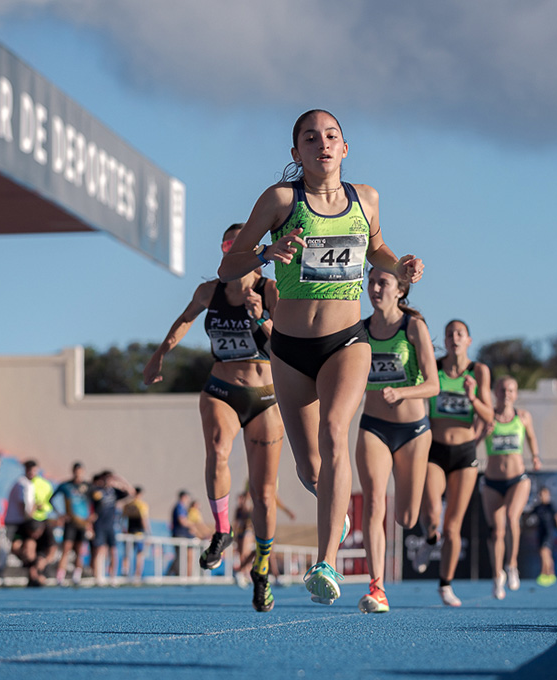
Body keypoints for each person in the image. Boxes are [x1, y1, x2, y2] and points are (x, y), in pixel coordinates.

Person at [217, 109, 423, 606]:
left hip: (347, 342)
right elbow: (229, 267)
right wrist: (270, 252)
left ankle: (325, 561)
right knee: (311, 470)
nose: (322, 144)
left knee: (336, 433)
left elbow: (376, 248)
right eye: (311, 138)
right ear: (296, 153)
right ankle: (333, 503)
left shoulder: (365, 198)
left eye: (331, 136)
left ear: (345, 148)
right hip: (287, 349)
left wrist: (402, 265)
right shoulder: (281, 200)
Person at [144, 222, 285, 612]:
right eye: (229, 246)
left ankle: (261, 567)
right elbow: (186, 318)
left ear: (257, 252)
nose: (234, 254)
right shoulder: (210, 291)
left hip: (265, 396)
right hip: (221, 388)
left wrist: (261, 319)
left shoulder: (269, 291)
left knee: (264, 494)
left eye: (243, 247)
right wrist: (160, 354)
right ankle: (222, 530)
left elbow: (287, 349)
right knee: (219, 451)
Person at [355, 267, 439, 613]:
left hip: (414, 431)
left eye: (382, 283)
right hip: (373, 425)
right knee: (374, 503)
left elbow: (433, 385)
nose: (374, 288)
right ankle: (377, 587)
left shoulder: (413, 327)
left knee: (405, 516)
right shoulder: (360, 330)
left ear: (399, 291)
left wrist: (403, 393)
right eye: (371, 282)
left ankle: (424, 536)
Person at [414, 319, 493, 607]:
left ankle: (445, 585)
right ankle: (429, 539)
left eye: (460, 334)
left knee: (453, 527)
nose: (454, 338)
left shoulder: (479, 371)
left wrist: (472, 398)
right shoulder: (433, 367)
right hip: (435, 448)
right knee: (433, 512)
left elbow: (489, 417)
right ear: (445, 341)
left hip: (464, 453)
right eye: (449, 334)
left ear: (469, 340)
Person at [481, 375, 541, 600]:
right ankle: (497, 577)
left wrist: (535, 456)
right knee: (496, 531)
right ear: (495, 392)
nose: (506, 394)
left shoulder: (523, 417)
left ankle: (512, 564)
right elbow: (473, 439)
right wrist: (482, 433)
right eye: (502, 389)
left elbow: (532, 438)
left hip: (518, 478)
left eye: (511, 390)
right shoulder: (488, 417)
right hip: (492, 481)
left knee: (511, 517)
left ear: (515, 394)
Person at [3, 460, 46, 586]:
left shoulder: (29, 485)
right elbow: (25, 508)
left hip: (22, 522)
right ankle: (33, 570)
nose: (33, 473)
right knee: (16, 547)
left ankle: (33, 575)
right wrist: (33, 514)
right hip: (17, 522)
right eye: (30, 470)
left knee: (29, 547)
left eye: (35, 470)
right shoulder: (23, 484)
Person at [51, 462, 94, 586]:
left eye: (80, 471)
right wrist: (60, 514)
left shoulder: (88, 486)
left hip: (83, 523)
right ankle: (60, 577)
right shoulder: (66, 485)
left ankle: (76, 576)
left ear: (83, 471)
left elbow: (95, 502)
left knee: (80, 550)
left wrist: (92, 516)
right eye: (76, 471)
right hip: (70, 522)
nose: (78, 473)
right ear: (72, 471)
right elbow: (51, 499)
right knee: (66, 549)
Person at [89, 470, 134, 586]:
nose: (108, 481)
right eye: (106, 478)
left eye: (110, 479)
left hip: (110, 526)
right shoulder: (97, 491)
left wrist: (119, 478)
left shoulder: (114, 491)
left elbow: (131, 492)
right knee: (99, 550)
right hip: (99, 525)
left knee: (113, 551)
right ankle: (98, 576)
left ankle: (112, 577)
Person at [531, 485, 557, 586]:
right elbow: (529, 519)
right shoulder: (537, 507)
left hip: (549, 533)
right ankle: (551, 573)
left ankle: (544, 573)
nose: (543, 496)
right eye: (541, 494)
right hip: (540, 533)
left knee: (544, 552)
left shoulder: (551, 506)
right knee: (545, 554)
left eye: (545, 494)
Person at [121, 487, 150, 582]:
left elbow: (122, 519)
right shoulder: (142, 505)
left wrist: (123, 530)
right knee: (139, 554)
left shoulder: (127, 505)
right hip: (139, 532)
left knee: (127, 553)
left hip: (129, 531)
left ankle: (125, 572)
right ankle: (137, 574)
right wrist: (148, 533)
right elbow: (144, 519)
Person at [168, 490, 196, 577]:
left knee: (181, 556)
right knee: (180, 556)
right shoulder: (179, 507)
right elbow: (182, 521)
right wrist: (192, 526)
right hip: (179, 535)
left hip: (183, 534)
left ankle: (173, 573)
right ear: (184, 497)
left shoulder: (182, 507)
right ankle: (171, 574)